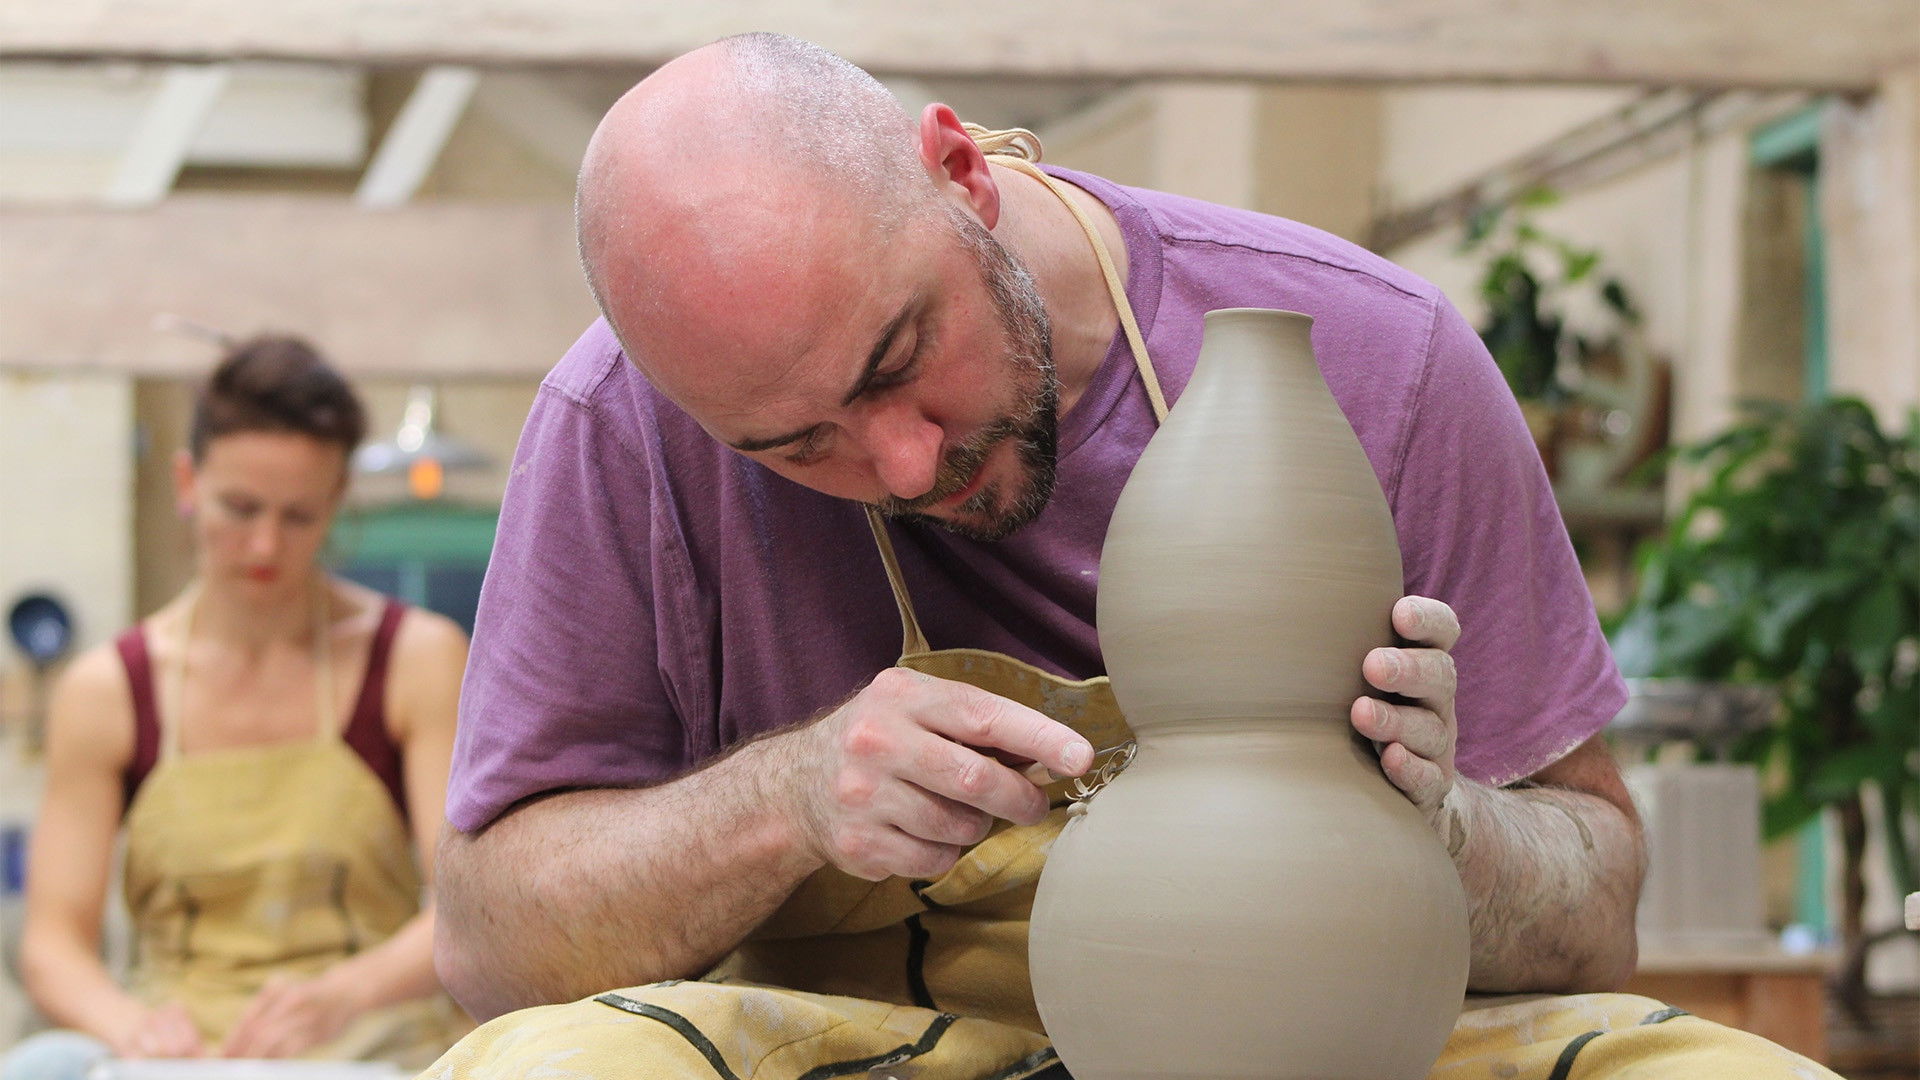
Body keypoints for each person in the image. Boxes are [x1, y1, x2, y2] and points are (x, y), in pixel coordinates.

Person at [425, 33, 1838, 1080]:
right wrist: (786, 800)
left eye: (904, 358)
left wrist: (1448, 823)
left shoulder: (1381, 357)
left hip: (1339, 1044)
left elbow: (1596, 923)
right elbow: (489, 955)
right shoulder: (622, 428)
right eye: (798, 446)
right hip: (882, 1050)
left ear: (963, 173)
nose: (904, 467)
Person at [6, 336, 471, 1079]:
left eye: (299, 517)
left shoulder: (415, 659)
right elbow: (53, 943)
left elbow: (467, 911)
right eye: (240, 507)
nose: (264, 544)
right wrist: (127, 1025)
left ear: (337, 501)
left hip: (376, 1045)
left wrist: (345, 995)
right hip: (177, 1054)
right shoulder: (107, 691)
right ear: (188, 483)